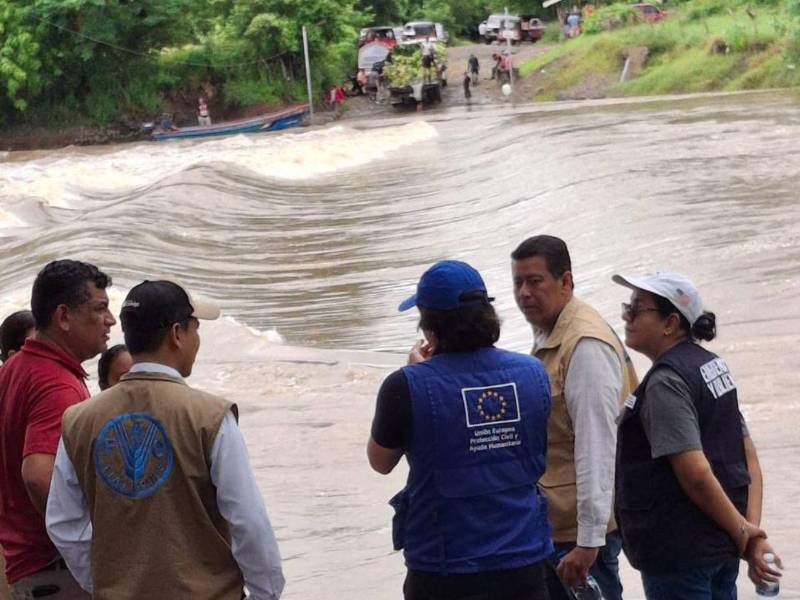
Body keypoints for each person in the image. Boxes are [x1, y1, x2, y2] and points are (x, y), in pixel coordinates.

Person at [46, 280, 285, 599]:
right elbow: (248, 521)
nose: (197, 340)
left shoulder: (78, 420)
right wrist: (265, 593)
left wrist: (107, 584)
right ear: (177, 334)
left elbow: (64, 525)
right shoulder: (211, 416)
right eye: (195, 328)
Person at [368, 260, 553, 600]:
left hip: (444, 567)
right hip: (524, 560)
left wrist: (417, 377)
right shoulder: (533, 373)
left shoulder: (405, 386)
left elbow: (380, 461)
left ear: (429, 325)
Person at [612, 271, 783, 598]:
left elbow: (695, 473)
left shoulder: (666, 382)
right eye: (627, 306)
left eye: (636, 309)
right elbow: (749, 461)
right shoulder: (711, 366)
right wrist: (749, 533)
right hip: (719, 545)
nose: (626, 316)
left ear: (670, 323)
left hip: (681, 553)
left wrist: (747, 535)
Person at [511, 235, 638, 600]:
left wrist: (588, 540)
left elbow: (597, 445)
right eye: (518, 283)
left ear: (565, 281)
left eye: (535, 281)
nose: (524, 293)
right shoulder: (553, 332)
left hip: (579, 537)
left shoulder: (584, 345)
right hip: (559, 526)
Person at [0, 259, 114, 599]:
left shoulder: (14, 368)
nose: (110, 320)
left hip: (25, 566)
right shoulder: (56, 385)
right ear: (64, 317)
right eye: (100, 309)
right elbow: (38, 474)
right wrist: (84, 552)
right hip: (56, 571)